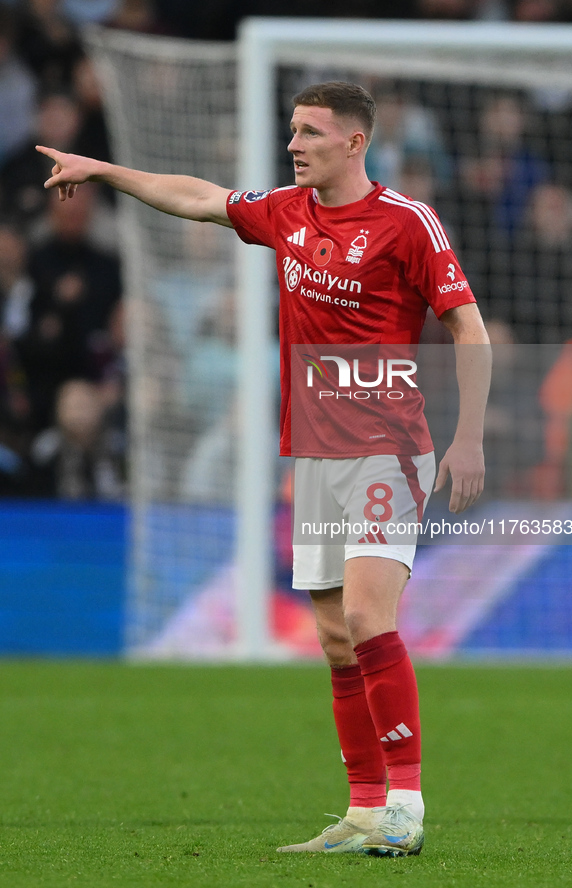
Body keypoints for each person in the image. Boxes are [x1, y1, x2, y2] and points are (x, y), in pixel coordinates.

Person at [36, 80, 491, 857]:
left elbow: (465, 324)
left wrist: (469, 437)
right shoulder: (286, 212)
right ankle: (362, 807)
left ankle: (406, 806)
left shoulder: (405, 222)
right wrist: (106, 170)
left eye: (310, 132)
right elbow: (199, 198)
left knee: (364, 617)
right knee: (330, 634)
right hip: (313, 450)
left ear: (354, 142)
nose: (293, 144)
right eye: (291, 130)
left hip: (387, 447)